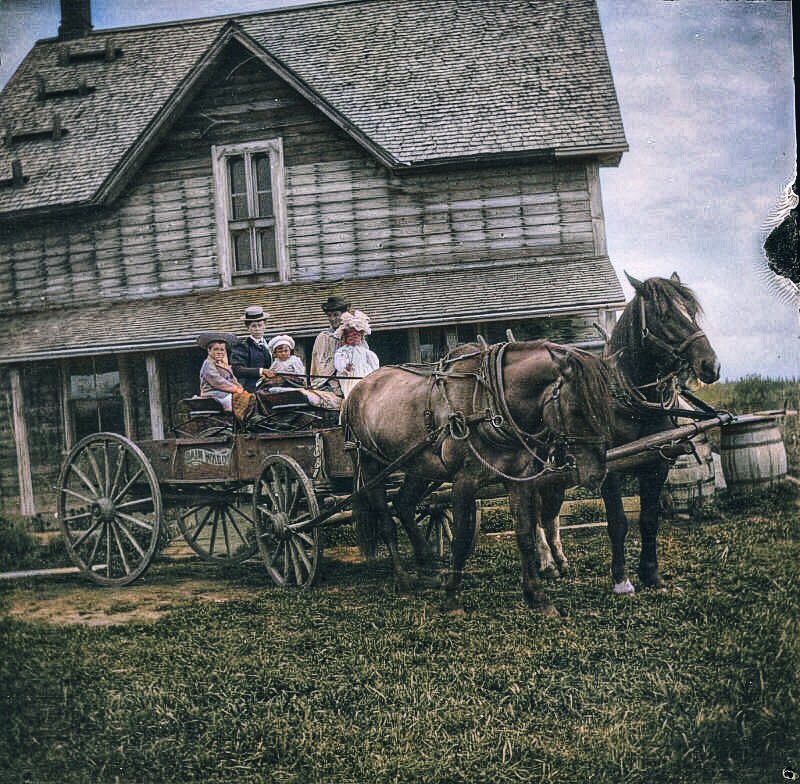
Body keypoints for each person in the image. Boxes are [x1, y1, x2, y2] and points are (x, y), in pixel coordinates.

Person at [231, 305, 279, 392]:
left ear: (265, 325)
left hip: (268, 383)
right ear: (247, 327)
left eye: (260, 325)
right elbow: (237, 369)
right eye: (253, 326)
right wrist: (261, 371)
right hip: (250, 387)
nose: (257, 329)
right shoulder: (242, 346)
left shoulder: (269, 344)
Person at [333, 310, 379, 399]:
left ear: (361, 338)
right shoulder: (342, 351)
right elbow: (338, 362)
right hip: (349, 375)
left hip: (364, 375)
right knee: (352, 391)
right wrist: (345, 367)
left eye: (357, 336)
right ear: (345, 338)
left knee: (368, 388)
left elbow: (374, 365)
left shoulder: (365, 352)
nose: (353, 338)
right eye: (350, 337)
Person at [310, 295, 350, 395]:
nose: (332, 319)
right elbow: (317, 364)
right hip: (327, 381)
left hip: (350, 376)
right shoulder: (323, 337)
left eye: (336, 315)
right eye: (329, 315)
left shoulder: (353, 335)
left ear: (343, 315)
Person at [198, 333, 245, 412]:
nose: (219, 352)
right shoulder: (208, 364)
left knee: (247, 397)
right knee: (232, 400)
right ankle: (231, 418)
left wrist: (240, 388)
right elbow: (217, 381)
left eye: (222, 350)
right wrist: (235, 389)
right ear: (209, 350)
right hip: (212, 393)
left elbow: (232, 379)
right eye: (216, 349)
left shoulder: (223, 364)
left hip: (225, 391)